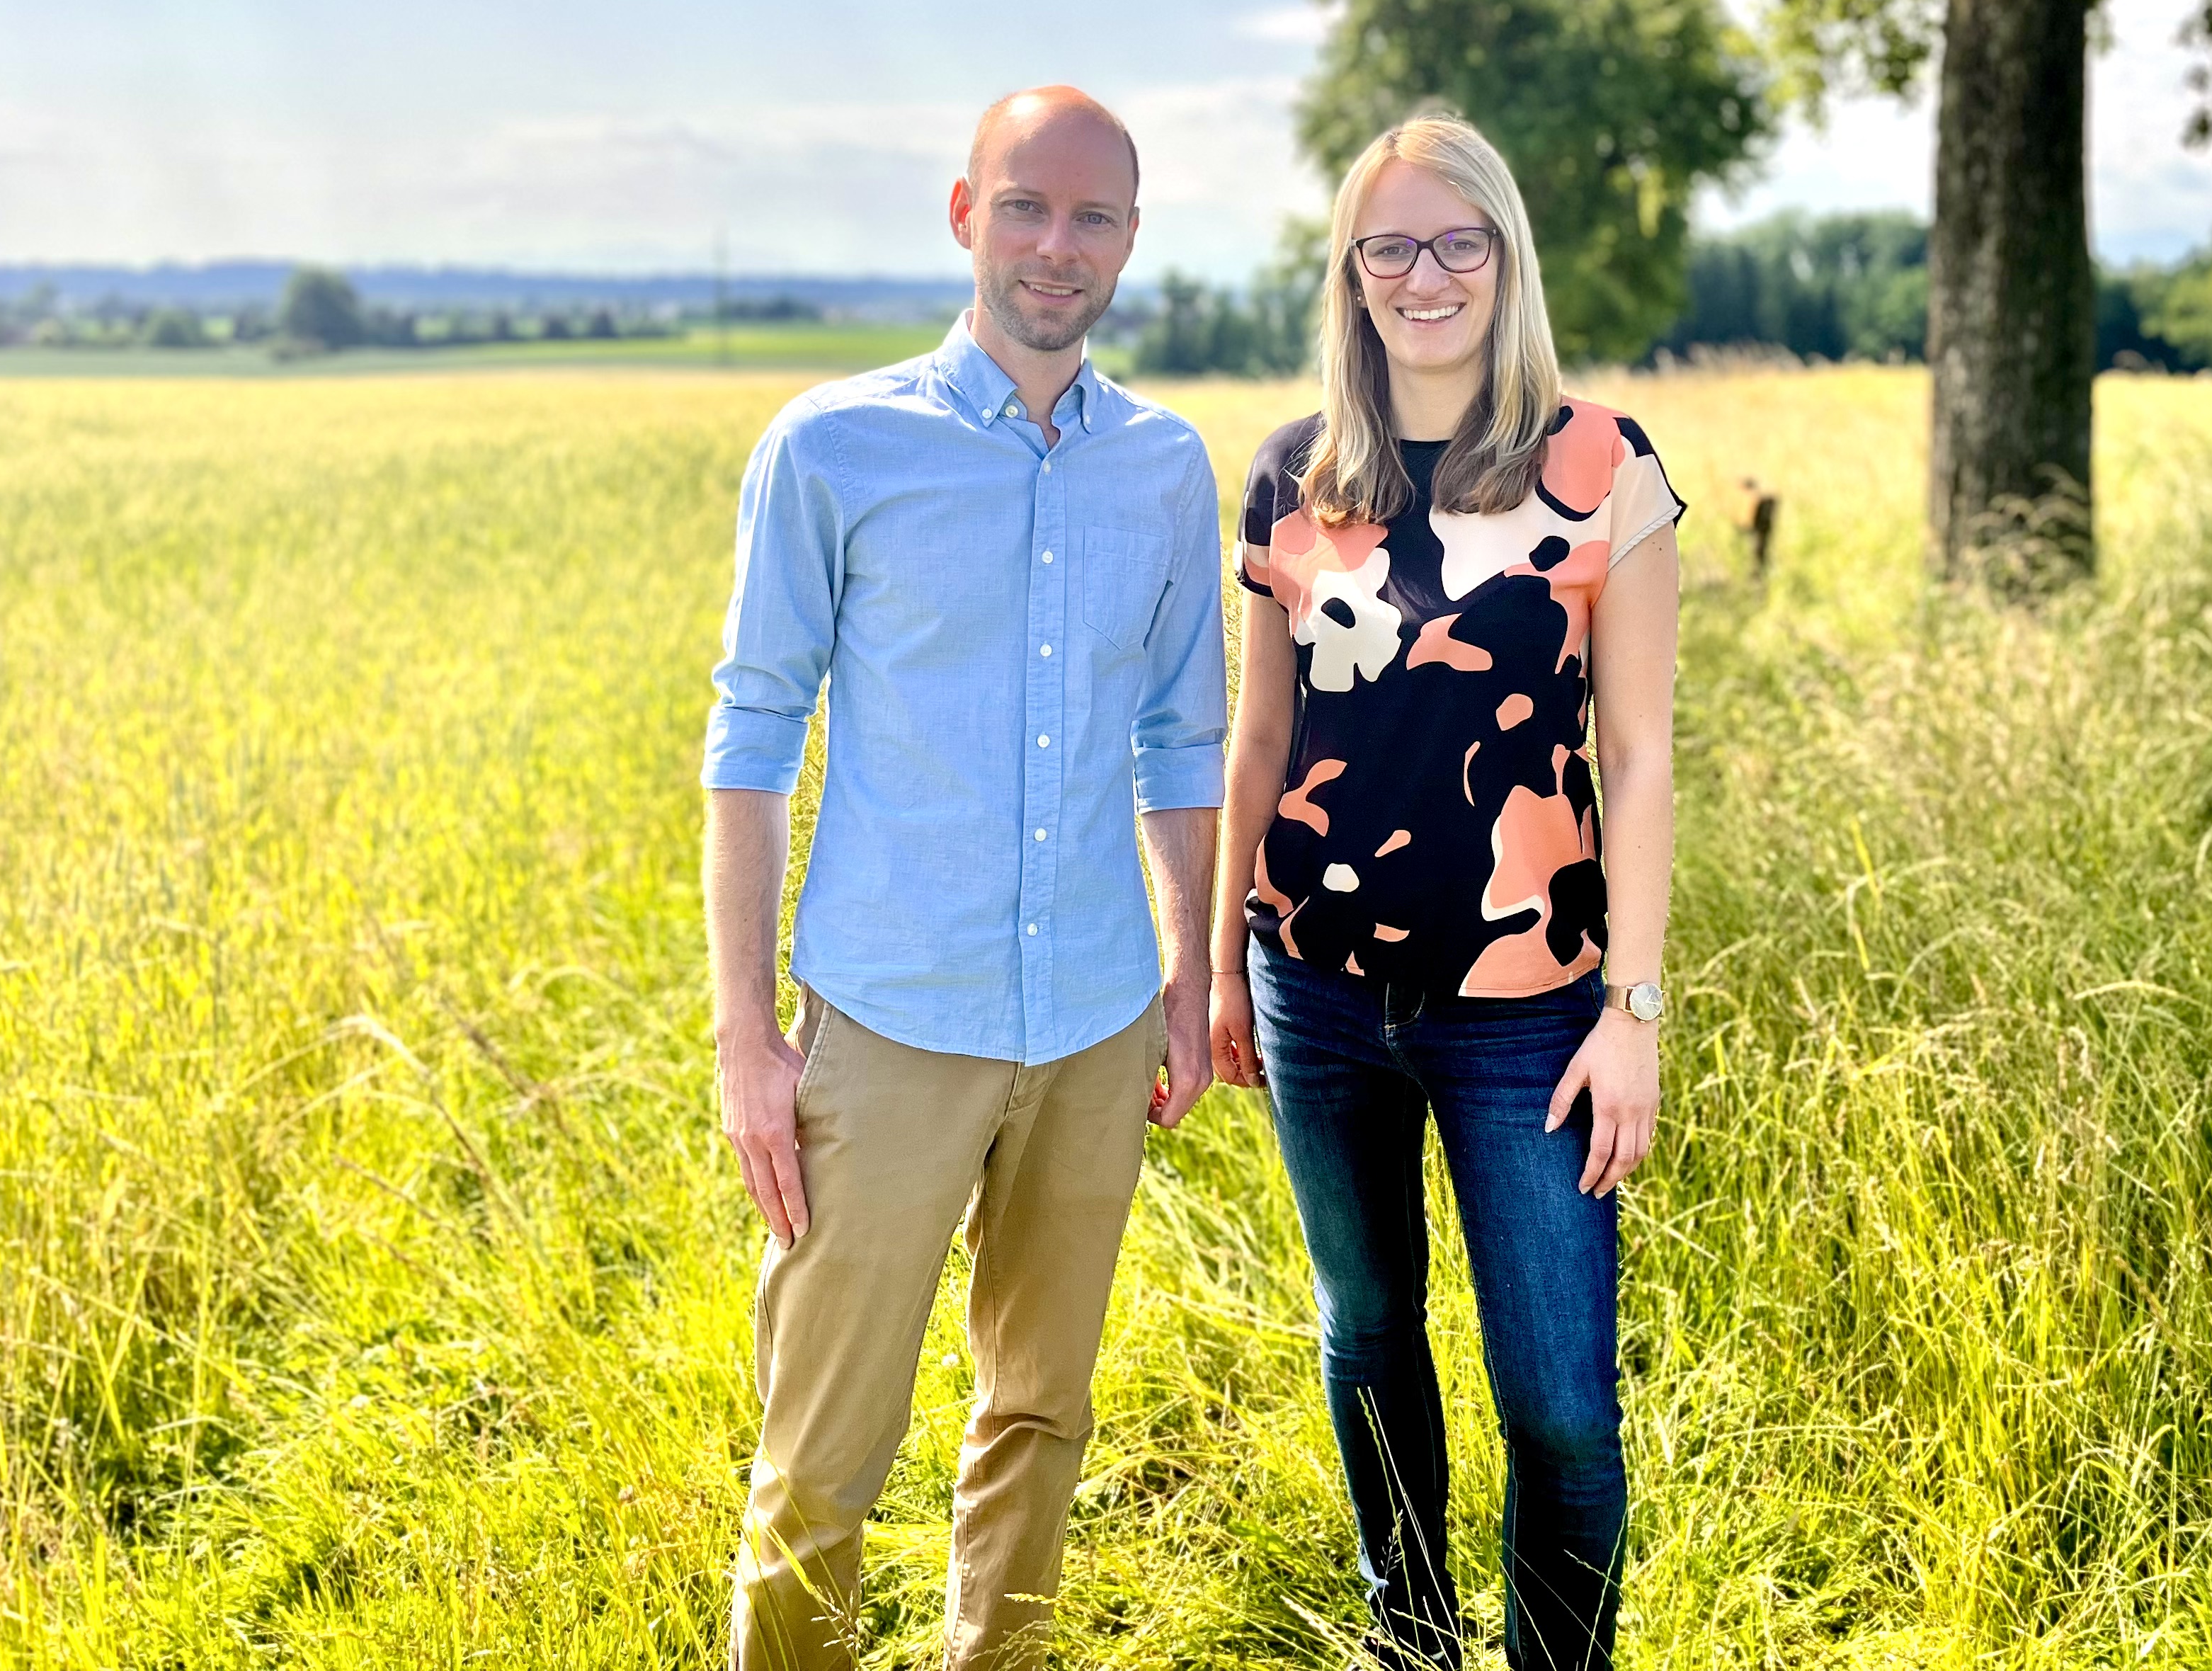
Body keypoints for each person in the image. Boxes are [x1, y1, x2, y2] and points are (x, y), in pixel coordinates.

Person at [701, 86, 1226, 1671]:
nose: (1058, 248)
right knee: (820, 1465)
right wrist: (744, 1037)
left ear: (1131, 239)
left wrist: (1194, 980)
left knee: (1043, 1415)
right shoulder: (833, 448)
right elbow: (751, 739)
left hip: (1090, 1025)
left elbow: (1181, 741)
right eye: (1026, 208)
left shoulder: (1165, 468)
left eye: (1094, 218)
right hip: (889, 1023)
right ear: (962, 214)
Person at [1209, 115, 1682, 1671]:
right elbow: (1260, 734)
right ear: (1352, 273)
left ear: (1506, 258)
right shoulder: (1294, 476)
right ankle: (1412, 1640)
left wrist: (1634, 1012)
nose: (1427, 275)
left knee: (1557, 1399)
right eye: (1391, 246)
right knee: (1368, 1334)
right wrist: (1222, 971)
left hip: (1531, 1014)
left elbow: (1646, 754)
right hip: (1317, 992)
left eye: (1458, 242)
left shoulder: (1601, 464)